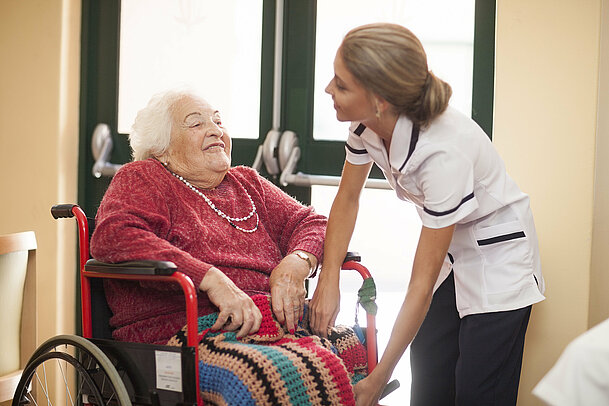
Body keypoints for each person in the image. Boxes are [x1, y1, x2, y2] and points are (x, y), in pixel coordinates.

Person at [309, 23, 546, 406]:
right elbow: (348, 197)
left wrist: (376, 382)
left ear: (379, 99)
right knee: (430, 384)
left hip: (499, 261)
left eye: (341, 84)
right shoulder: (366, 125)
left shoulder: (442, 155)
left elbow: (419, 286)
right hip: (453, 253)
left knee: (477, 393)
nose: (328, 90)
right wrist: (329, 275)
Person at [91, 89, 368, 405]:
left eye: (218, 121)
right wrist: (211, 279)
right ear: (161, 149)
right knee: (271, 372)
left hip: (267, 324)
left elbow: (313, 224)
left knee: (352, 343)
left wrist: (296, 263)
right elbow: (114, 235)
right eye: (195, 124)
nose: (215, 130)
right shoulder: (144, 178)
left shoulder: (246, 183)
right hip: (189, 333)